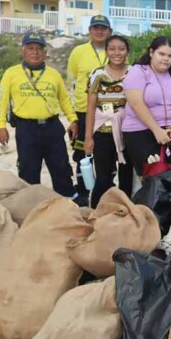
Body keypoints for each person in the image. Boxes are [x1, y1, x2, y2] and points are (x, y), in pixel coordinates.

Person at [0, 33, 77, 197]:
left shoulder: (54, 74)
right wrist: (0, 126)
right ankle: (29, 204)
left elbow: (65, 100)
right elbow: (1, 100)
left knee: (61, 167)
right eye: (30, 48)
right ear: (22, 51)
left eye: (39, 48)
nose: (35, 52)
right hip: (26, 129)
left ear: (45, 52)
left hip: (52, 127)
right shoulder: (11, 73)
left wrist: (73, 120)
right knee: (28, 169)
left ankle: (68, 201)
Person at [122, 37, 171, 175]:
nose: (166, 59)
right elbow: (136, 103)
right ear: (151, 52)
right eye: (162, 54)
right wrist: (156, 130)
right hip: (142, 131)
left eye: (170, 56)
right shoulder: (139, 71)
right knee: (153, 177)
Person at [67, 14, 112, 206]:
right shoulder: (79, 51)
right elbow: (71, 80)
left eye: (103, 28)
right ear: (90, 31)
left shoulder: (114, 49)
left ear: (109, 31)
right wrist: (74, 115)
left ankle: (107, 189)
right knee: (82, 153)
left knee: (107, 152)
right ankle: (83, 191)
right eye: (96, 28)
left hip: (108, 112)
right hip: (84, 111)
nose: (99, 31)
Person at [83, 35, 133, 208]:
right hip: (103, 131)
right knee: (103, 176)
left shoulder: (134, 72)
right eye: (112, 49)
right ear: (106, 51)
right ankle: (96, 212)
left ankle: (125, 212)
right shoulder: (97, 75)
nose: (116, 53)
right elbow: (90, 107)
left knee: (126, 175)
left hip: (127, 130)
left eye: (121, 48)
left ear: (127, 52)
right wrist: (88, 137)